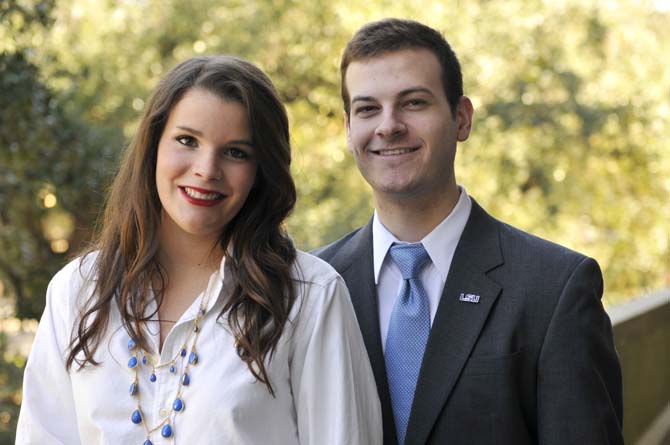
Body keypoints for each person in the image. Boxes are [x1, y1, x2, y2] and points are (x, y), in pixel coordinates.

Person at [17, 55, 381, 445]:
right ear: (153, 145)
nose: (207, 169)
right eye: (187, 141)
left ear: (261, 169)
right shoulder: (76, 291)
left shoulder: (309, 296)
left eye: (236, 152)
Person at [314, 18, 623, 445]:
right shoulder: (314, 284)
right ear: (348, 129)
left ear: (461, 119)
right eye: (368, 109)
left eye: (414, 103)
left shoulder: (554, 289)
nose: (388, 125)